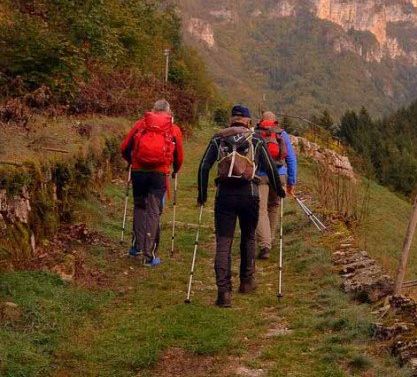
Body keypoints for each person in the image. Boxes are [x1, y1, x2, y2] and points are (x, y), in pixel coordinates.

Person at [197, 104, 284, 308]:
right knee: (248, 237)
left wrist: (202, 194)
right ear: (247, 120)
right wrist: (279, 191)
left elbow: (203, 166)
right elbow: (271, 167)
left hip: (224, 195)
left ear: (231, 119)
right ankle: (246, 281)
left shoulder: (218, 138)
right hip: (249, 194)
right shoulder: (255, 139)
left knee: (224, 243)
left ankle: (223, 293)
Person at [120, 99, 184, 267]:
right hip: (159, 173)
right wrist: (176, 170)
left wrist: (132, 161)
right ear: (169, 111)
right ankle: (149, 256)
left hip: (138, 172)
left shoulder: (140, 124)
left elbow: (124, 147)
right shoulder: (173, 129)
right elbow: (179, 156)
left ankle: (136, 247)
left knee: (140, 207)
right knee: (154, 211)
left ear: (153, 110)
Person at [255, 111, 297, 260]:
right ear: (275, 121)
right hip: (279, 174)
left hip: (261, 175)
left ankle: (264, 245)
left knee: (260, 210)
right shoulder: (282, 134)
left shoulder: (256, 132)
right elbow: (291, 158)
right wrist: (291, 181)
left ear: (262, 121)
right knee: (273, 206)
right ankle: (270, 238)